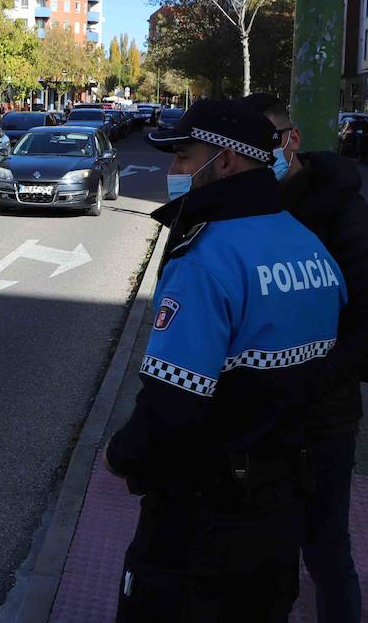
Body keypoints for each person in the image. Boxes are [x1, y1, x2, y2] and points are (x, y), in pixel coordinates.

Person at [105, 98, 345, 622]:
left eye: (185, 158)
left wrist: (124, 456)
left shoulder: (207, 258)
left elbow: (172, 404)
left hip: (203, 514)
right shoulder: (310, 248)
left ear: (227, 161)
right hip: (282, 507)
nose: (174, 172)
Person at [244, 93, 368, 623]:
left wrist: (308, 381)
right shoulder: (255, 205)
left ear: (291, 141)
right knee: (260, 552)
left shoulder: (344, 212)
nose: (256, 156)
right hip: (263, 418)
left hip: (323, 422)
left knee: (326, 552)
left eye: (265, 142)